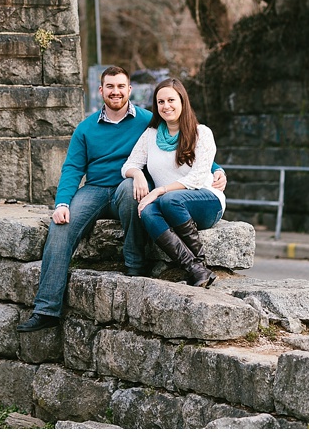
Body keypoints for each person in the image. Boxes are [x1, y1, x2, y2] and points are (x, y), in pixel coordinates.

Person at [16, 67, 226, 332]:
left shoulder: (148, 120)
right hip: (94, 190)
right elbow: (72, 169)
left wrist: (216, 169)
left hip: (127, 190)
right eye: (110, 87)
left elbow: (184, 142)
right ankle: (46, 310)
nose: (116, 92)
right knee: (61, 227)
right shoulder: (86, 128)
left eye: (121, 86)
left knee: (130, 190)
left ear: (129, 90)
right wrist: (62, 204)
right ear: (101, 90)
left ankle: (135, 266)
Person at [122, 78, 226, 289]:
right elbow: (128, 166)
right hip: (169, 204)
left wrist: (159, 191)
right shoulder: (150, 135)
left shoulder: (201, 133)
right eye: (160, 102)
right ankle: (196, 269)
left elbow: (197, 178)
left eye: (171, 100)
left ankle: (200, 262)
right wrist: (138, 175)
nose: (166, 106)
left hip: (206, 201)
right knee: (147, 211)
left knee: (169, 200)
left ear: (182, 101)